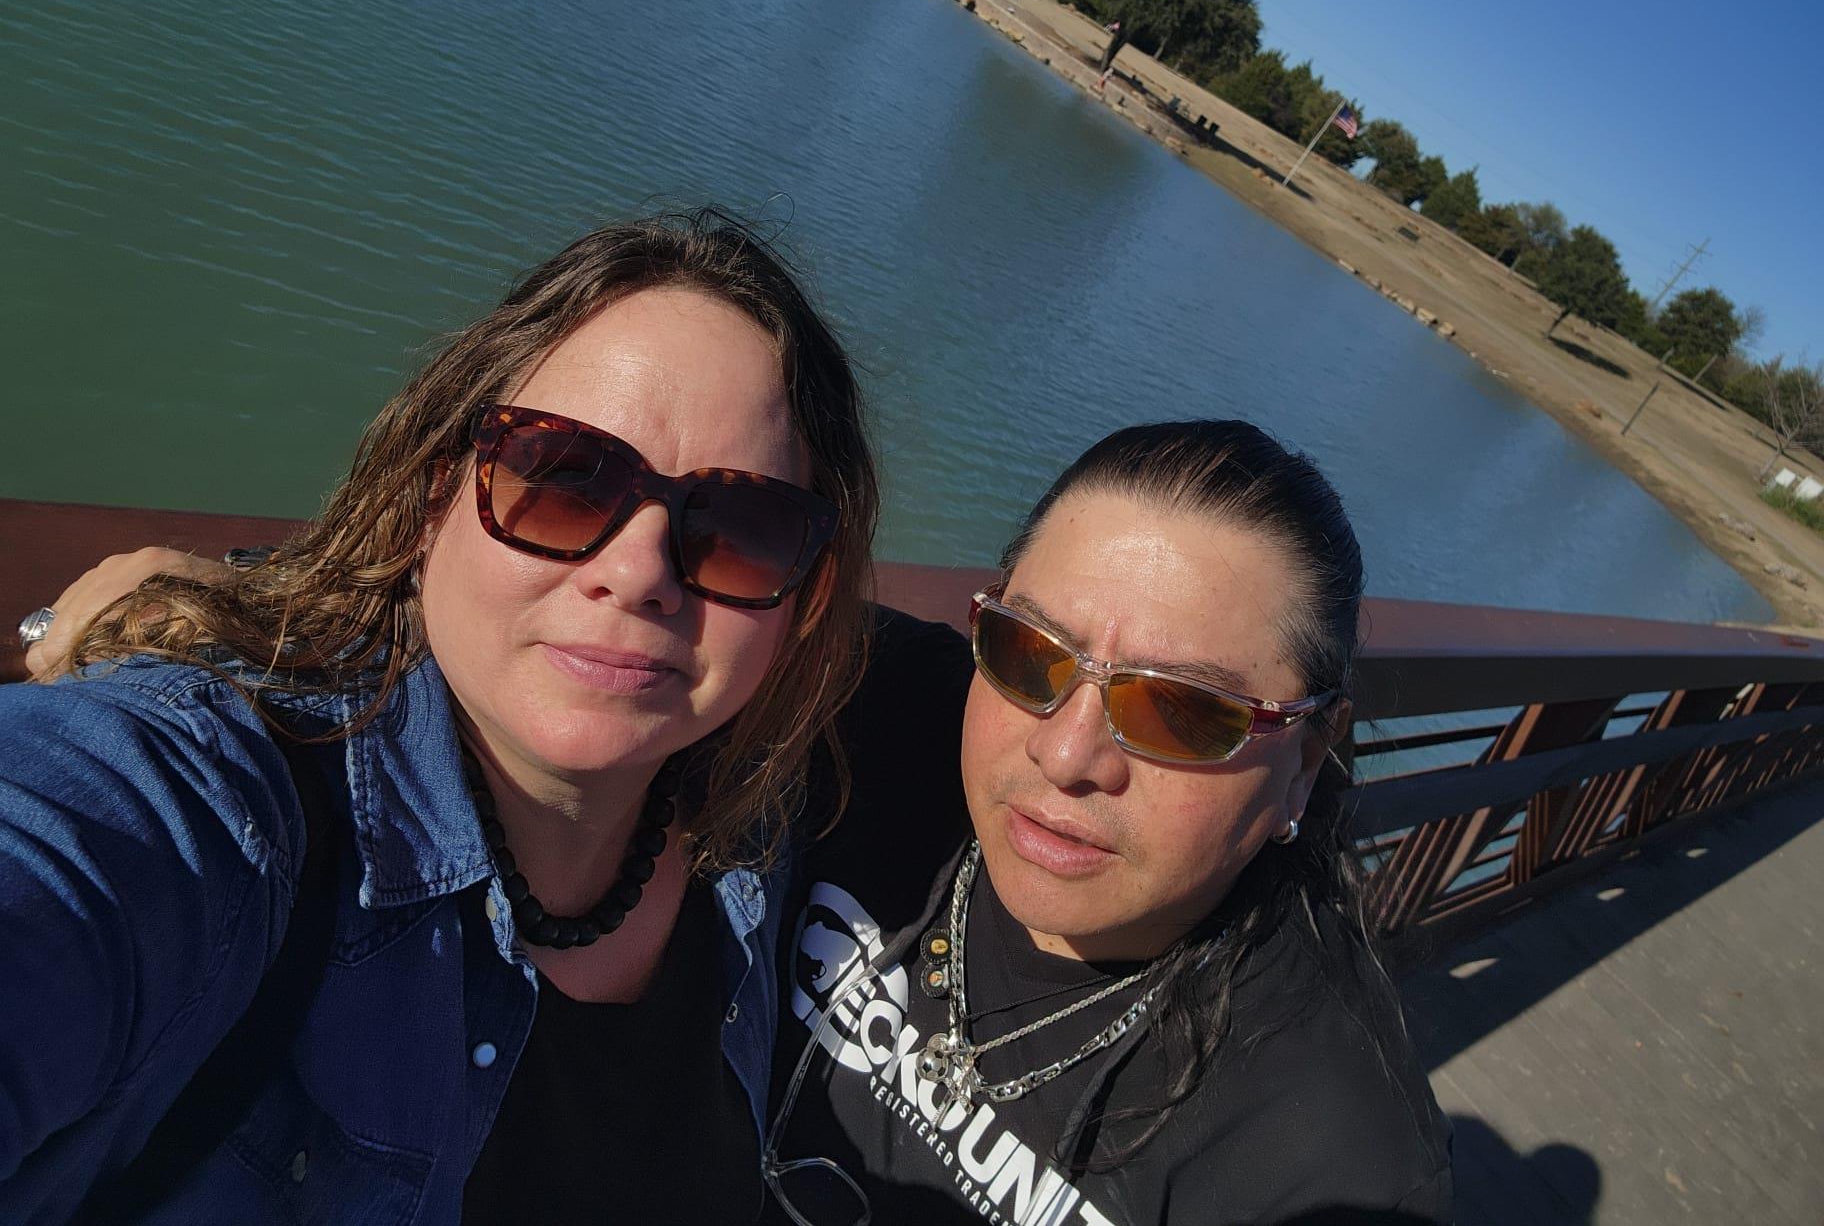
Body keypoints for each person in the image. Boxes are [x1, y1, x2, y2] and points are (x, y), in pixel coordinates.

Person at [0, 208, 880, 1224]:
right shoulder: (222, 803)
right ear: (431, 502)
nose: (636, 572)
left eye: (739, 527)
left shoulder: (752, 837)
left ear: (805, 602)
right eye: (563, 478)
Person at [763, 421, 1452, 1225]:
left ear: (1303, 763)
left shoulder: (1332, 1167)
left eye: (1182, 710)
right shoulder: (864, 705)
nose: (1065, 753)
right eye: (1029, 649)